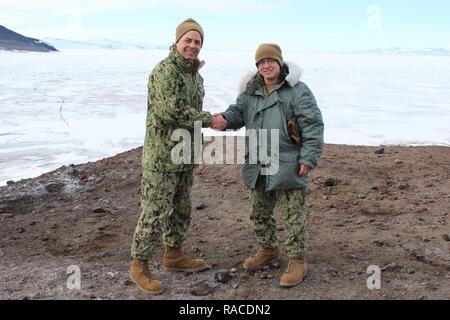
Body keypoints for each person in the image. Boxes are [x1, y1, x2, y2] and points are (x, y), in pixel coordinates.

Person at [211, 43, 324, 287]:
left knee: (293, 215)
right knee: (259, 212)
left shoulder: (297, 91)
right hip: (259, 162)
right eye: (261, 62)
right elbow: (237, 113)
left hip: (288, 162)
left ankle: (297, 260)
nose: (266, 65)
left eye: (270, 61)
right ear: (257, 66)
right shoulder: (250, 92)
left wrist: (308, 158)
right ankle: (269, 249)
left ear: (280, 63)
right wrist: (222, 120)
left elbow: (312, 125)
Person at [130, 18, 214, 294]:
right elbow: (171, 112)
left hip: (185, 154)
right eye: (188, 40)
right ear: (177, 42)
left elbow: (187, 115)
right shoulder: (165, 72)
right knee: (155, 210)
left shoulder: (194, 76)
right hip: (162, 158)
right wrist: (209, 119)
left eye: (197, 41)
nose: (192, 45)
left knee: (180, 207)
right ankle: (140, 265)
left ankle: (174, 255)